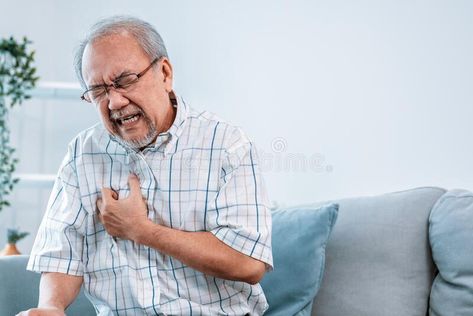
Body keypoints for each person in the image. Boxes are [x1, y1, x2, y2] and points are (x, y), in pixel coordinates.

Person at [20, 16, 272, 316]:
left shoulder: (228, 145)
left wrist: (141, 230)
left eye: (124, 81)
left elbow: (248, 262)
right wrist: (51, 307)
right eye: (98, 91)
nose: (113, 102)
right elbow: (62, 254)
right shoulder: (82, 154)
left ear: (164, 74)